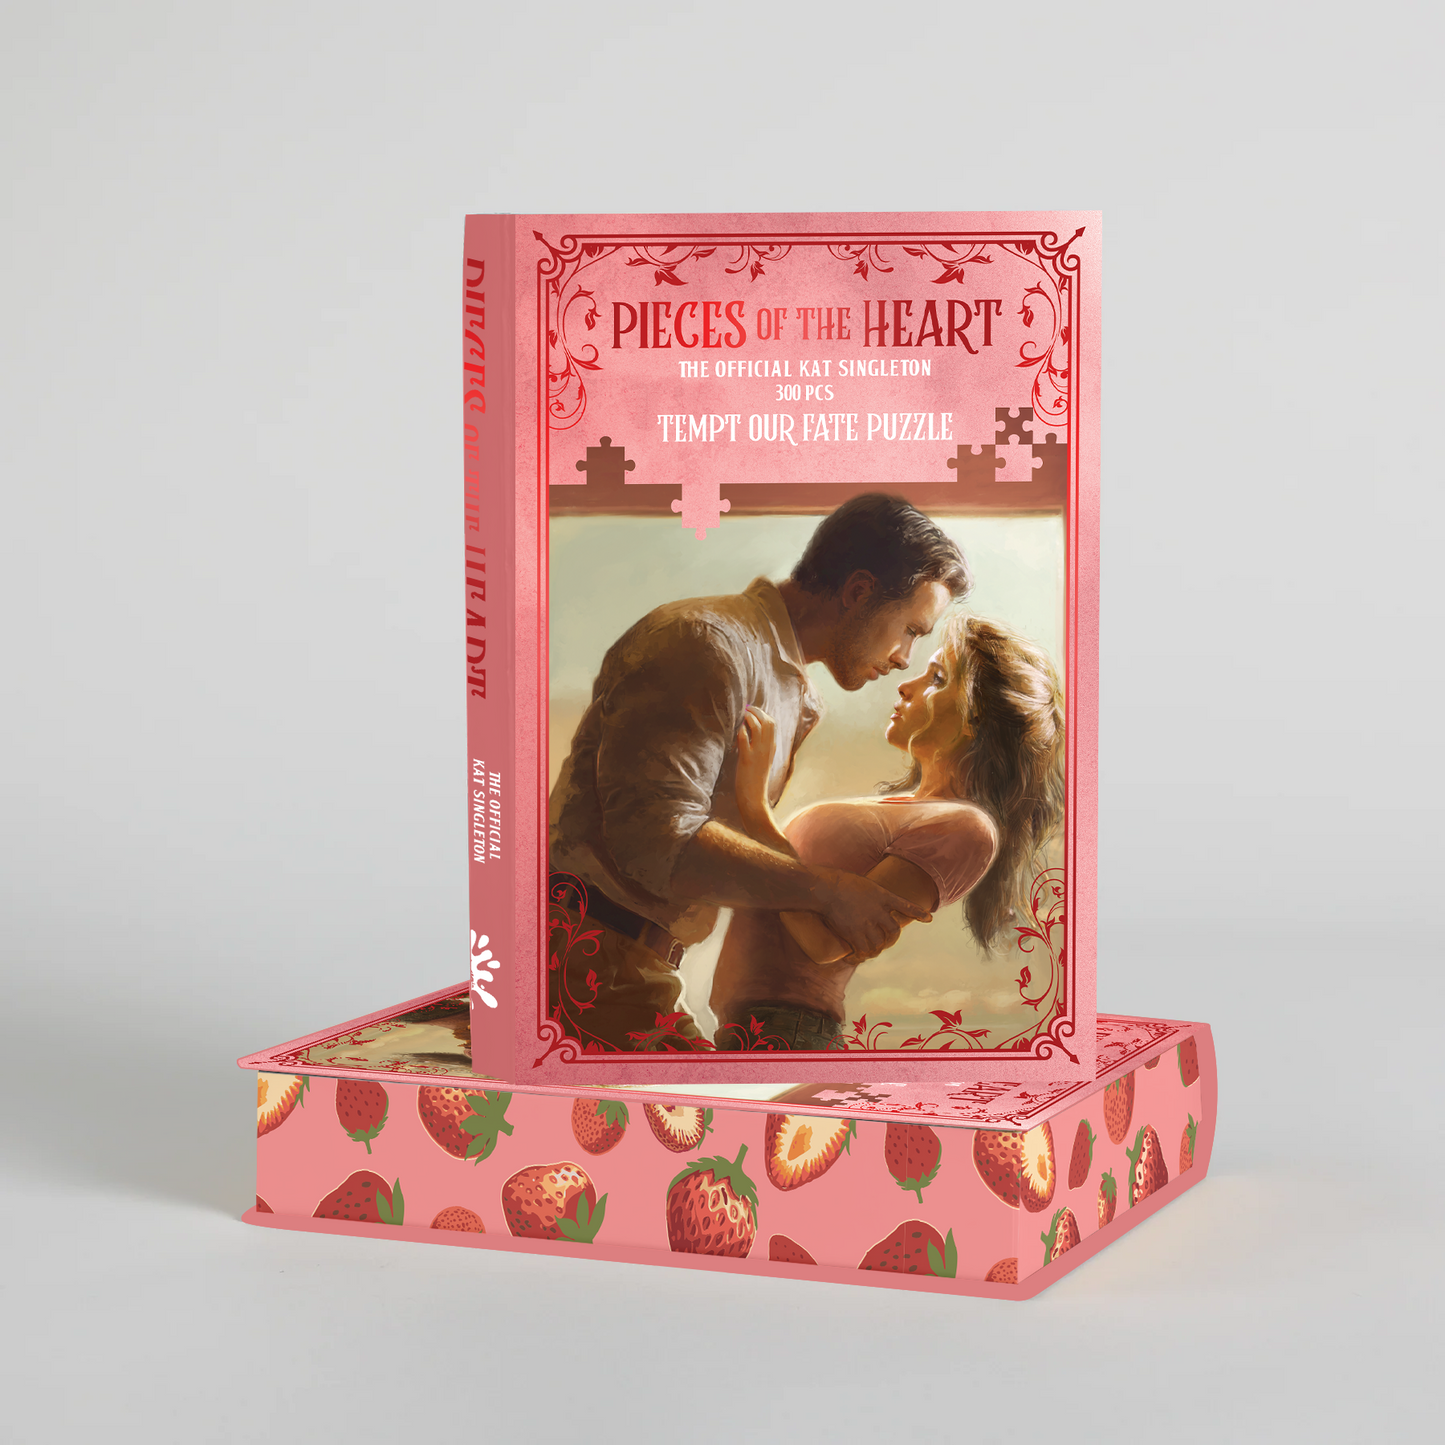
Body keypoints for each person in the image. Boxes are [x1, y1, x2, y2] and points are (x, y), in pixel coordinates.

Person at [547, 494, 972, 1051]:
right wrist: (826, 892)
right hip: (582, 960)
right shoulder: (706, 643)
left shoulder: (787, 685)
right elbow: (653, 836)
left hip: (630, 968)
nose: (903, 658)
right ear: (859, 591)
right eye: (911, 630)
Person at [710, 612, 1065, 1052]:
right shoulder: (904, 810)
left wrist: (755, 807)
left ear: (974, 718)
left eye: (937, 678)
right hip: (748, 1027)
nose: (905, 685)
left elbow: (825, 945)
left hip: (788, 1032)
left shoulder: (965, 828)